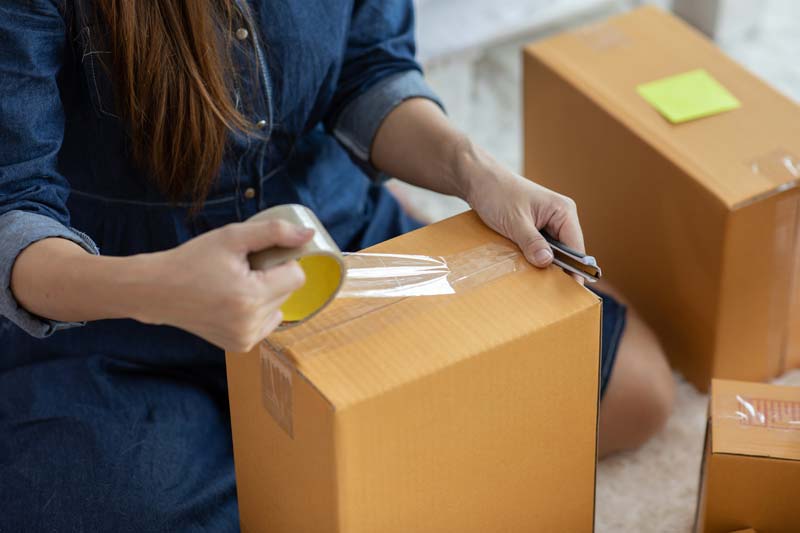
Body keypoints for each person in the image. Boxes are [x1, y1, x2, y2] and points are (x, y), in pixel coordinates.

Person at [0, 0, 674, 530]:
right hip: (115, 306)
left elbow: (369, 68)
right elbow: (14, 205)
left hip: (327, 243)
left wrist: (475, 171)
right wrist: (157, 289)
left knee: (638, 389)